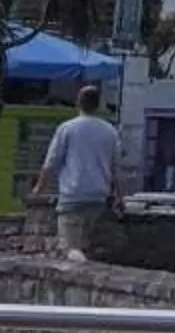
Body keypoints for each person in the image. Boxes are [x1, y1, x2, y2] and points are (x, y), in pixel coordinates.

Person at [31, 83, 123, 263]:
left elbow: (51, 162)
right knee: (87, 245)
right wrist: (120, 196)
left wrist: (38, 189)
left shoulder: (67, 128)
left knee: (70, 248)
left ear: (78, 103)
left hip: (72, 196)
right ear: (98, 105)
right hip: (98, 198)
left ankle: (81, 269)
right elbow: (116, 168)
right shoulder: (110, 131)